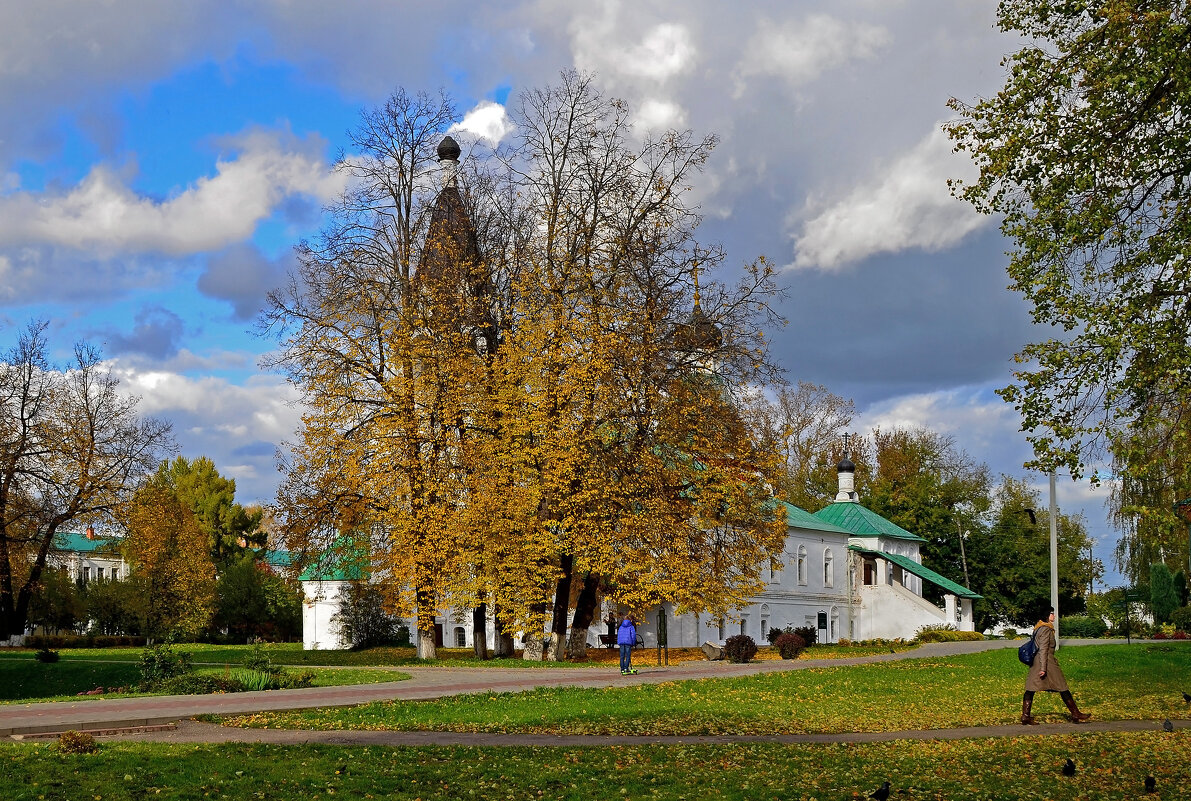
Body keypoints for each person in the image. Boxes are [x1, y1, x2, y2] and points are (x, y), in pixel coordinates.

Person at [1021, 606, 1091, 724]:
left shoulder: (1038, 627)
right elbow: (1043, 649)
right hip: (1046, 662)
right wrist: (1043, 668)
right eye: (1051, 613)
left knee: (1031, 688)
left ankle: (1025, 716)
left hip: (1038, 661)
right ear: (1047, 615)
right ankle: (1075, 713)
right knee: (1062, 687)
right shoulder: (1045, 629)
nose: (1053, 616)